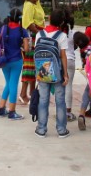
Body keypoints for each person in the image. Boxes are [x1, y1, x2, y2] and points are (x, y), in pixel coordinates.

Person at [34, 8, 69, 138]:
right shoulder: (62, 36)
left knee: (43, 100)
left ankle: (41, 129)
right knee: (60, 101)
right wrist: (66, 74)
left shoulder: (39, 34)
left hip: (42, 72)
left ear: (49, 19)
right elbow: (63, 56)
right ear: (61, 22)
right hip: (57, 73)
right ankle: (61, 130)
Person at [0, 8, 30, 120]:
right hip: (17, 60)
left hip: (4, 61)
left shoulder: (3, 29)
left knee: (9, 83)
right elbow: (27, 49)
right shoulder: (22, 31)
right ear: (20, 19)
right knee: (13, 84)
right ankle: (12, 111)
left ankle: (1, 108)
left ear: (9, 17)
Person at [19, 0, 47, 104]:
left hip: (38, 36)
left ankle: (31, 93)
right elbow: (28, 24)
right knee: (30, 67)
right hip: (33, 37)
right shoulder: (29, 5)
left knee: (36, 66)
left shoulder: (35, 2)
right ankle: (23, 94)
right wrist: (41, 34)